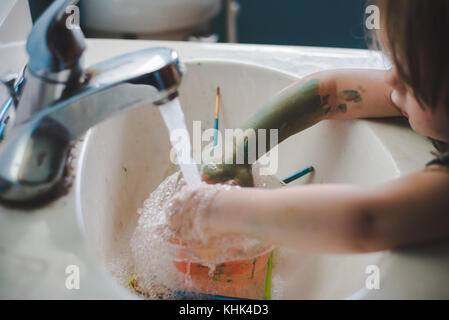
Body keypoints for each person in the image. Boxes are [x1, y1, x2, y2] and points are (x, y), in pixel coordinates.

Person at [163, 0, 449, 253]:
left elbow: (366, 221)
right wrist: (239, 153)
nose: (390, 79)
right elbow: (333, 92)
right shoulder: (428, 98)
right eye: (393, 61)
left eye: (411, 73)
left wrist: (213, 210)